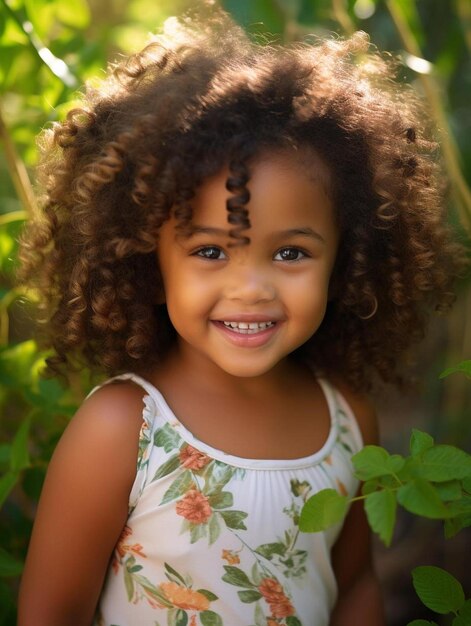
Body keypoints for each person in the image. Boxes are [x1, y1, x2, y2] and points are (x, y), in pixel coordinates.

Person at [17, 7, 464, 626]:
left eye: (290, 253)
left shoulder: (347, 420)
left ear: (346, 258)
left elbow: (355, 582)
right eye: (209, 251)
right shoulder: (125, 430)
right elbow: (50, 613)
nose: (251, 288)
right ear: (150, 261)